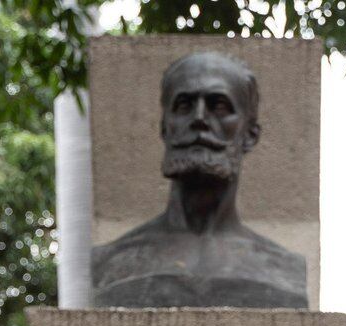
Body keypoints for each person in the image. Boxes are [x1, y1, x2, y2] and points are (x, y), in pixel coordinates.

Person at [90, 50, 310, 309]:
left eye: (219, 106)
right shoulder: (114, 260)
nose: (199, 119)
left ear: (250, 135)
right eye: (184, 105)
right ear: (165, 128)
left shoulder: (282, 268)